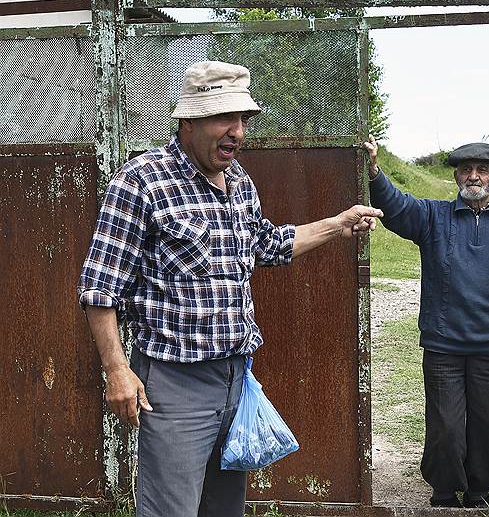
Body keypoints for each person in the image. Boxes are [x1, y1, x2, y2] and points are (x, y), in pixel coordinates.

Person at [77, 61, 382, 517]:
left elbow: (267, 244)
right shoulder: (141, 181)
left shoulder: (238, 182)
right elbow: (100, 287)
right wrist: (118, 372)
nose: (236, 132)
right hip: (174, 383)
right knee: (170, 511)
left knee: (224, 509)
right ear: (189, 121)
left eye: (242, 120)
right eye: (224, 118)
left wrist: (336, 226)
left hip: (236, 378)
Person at [365, 135, 489, 508]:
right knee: (445, 425)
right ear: (457, 175)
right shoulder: (434, 218)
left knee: (487, 426)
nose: (473, 176)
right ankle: (444, 491)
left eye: (482, 170)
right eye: (466, 169)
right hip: (444, 345)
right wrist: (375, 172)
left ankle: (479, 490)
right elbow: (397, 207)